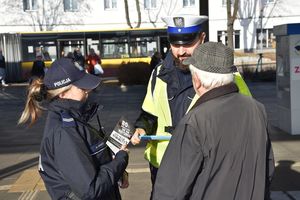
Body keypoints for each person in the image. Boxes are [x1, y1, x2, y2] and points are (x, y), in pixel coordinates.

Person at [130, 14, 252, 198]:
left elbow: (246, 119)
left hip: (205, 165)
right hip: (163, 164)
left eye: (187, 44)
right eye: (175, 44)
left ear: (202, 38)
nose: (180, 52)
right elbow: (149, 112)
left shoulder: (227, 76)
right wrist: (141, 127)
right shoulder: (158, 74)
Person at [153, 42, 275, 200]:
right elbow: (268, 169)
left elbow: (170, 190)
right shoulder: (257, 109)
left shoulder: (194, 121)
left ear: (197, 80)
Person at [18, 58, 129, 200]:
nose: (88, 90)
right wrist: (120, 159)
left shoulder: (75, 119)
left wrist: (117, 171)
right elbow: (91, 191)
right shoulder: (64, 132)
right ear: (62, 94)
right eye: (82, 87)